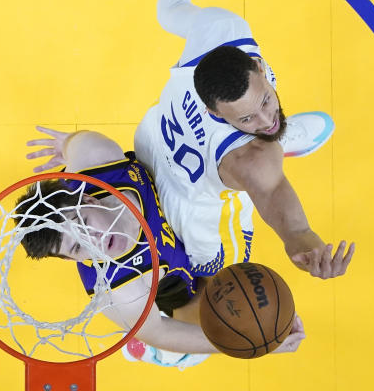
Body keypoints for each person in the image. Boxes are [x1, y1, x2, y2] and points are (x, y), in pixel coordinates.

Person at [128, 0, 355, 279]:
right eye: (246, 120)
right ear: (213, 111)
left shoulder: (222, 29)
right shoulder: (249, 160)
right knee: (219, 280)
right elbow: (279, 205)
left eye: (264, 102)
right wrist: (304, 242)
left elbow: (172, 11)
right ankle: (279, 144)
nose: (265, 121)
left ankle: (279, 142)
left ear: (258, 68)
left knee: (265, 145)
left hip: (150, 137)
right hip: (190, 205)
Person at [16, 127, 306, 369]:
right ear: (71, 259)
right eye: (78, 247)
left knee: (217, 178)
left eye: (86, 223)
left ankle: (266, 144)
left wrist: (66, 143)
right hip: (170, 285)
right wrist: (249, 343)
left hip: (179, 217)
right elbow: (157, 331)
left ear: (90, 201)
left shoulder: (97, 158)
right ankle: (161, 357)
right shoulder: (122, 287)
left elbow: (75, 144)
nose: (95, 241)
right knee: (209, 316)